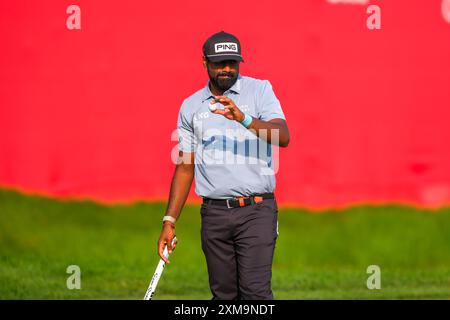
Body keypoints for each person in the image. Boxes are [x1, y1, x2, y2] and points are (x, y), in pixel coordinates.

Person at [157, 31, 290, 300]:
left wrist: (244, 119)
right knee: (223, 296)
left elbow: (283, 136)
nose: (227, 69)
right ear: (204, 62)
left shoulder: (259, 90)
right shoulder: (191, 106)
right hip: (214, 215)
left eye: (233, 62)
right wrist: (169, 221)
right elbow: (185, 166)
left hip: (256, 211)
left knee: (256, 296)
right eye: (220, 63)